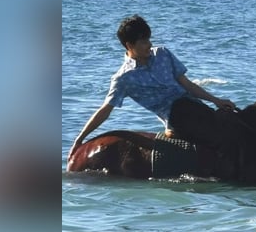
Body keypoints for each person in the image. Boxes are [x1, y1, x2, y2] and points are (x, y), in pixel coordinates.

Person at [67, 15, 237, 163]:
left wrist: (217, 101)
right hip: (175, 118)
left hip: (193, 107)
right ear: (129, 45)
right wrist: (79, 139)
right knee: (217, 141)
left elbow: (188, 85)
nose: (150, 44)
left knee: (230, 122)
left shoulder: (163, 54)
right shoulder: (124, 78)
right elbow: (105, 110)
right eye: (143, 41)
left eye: (149, 39)